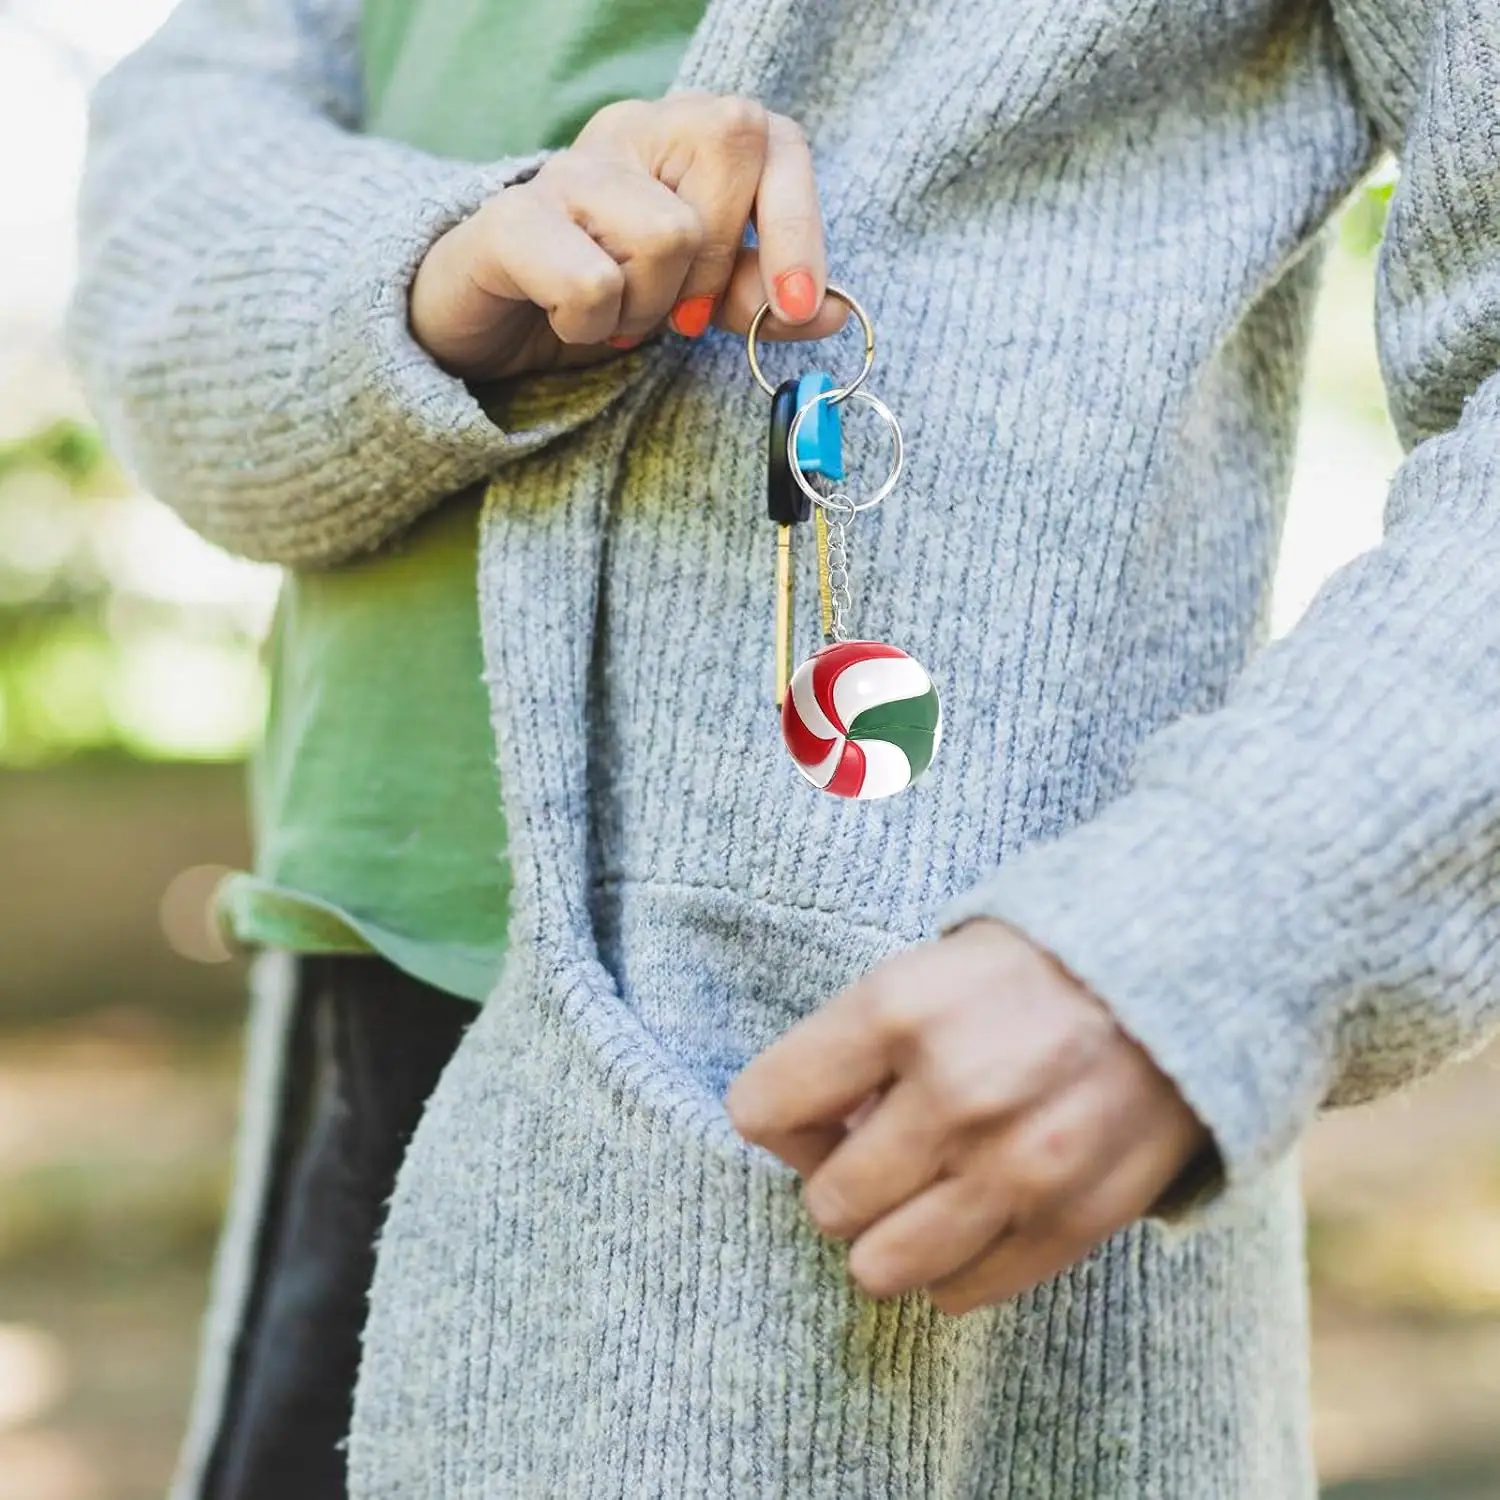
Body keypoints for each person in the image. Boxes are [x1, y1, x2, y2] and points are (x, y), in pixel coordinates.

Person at [68, 0, 1500, 1495]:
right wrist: (441, 262)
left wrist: (1221, 930)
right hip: (350, 1014)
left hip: (909, 1099)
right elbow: (181, 145)